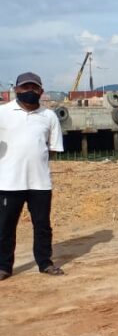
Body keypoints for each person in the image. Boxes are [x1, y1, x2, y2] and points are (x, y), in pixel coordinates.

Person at [0, 72, 66, 281]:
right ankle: (3, 267)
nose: (30, 91)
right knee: (5, 226)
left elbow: (52, 149)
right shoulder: (3, 112)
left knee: (42, 225)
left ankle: (45, 263)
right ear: (16, 90)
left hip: (40, 182)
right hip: (8, 181)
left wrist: (36, 161)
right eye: (25, 87)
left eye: (34, 87)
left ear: (41, 91)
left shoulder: (49, 116)